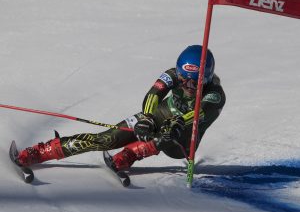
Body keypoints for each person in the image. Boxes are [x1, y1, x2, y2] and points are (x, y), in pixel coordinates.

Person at [16, 45, 226, 172]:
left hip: (184, 139)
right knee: (107, 139)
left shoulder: (215, 94)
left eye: (195, 82)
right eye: (184, 79)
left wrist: (178, 122)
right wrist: (146, 118)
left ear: (206, 78)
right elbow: (154, 93)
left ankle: (133, 153)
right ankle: (45, 151)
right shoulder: (172, 73)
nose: (188, 86)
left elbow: (198, 113)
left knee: (168, 132)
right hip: (162, 114)